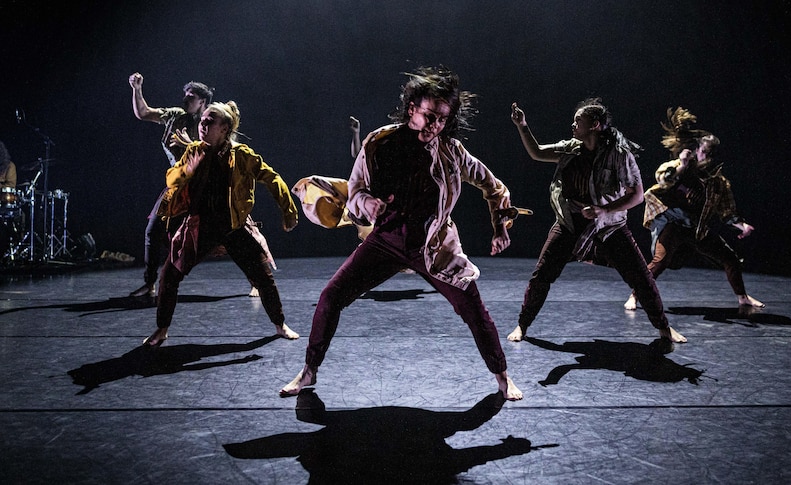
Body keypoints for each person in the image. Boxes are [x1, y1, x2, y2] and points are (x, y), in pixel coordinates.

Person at [279, 66, 523, 401]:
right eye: (429, 115)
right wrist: (370, 205)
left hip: (435, 247)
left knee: (474, 311)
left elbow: (493, 187)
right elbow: (356, 189)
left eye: (442, 119)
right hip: (386, 240)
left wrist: (499, 227)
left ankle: (502, 377)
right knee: (331, 297)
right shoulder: (380, 142)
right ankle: (308, 371)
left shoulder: (452, 152)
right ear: (412, 109)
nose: (435, 125)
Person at [506, 99, 687, 344]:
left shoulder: (619, 154)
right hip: (570, 223)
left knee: (641, 277)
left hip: (609, 226)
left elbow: (636, 194)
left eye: (578, 121)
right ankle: (522, 325)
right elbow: (537, 152)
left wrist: (603, 210)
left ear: (595, 125)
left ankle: (664, 327)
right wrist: (522, 125)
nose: (573, 125)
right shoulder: (570, 148)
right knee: (542, 275)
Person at [141, 101, 300, 347]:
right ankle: (162, 329)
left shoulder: (242, 155)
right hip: (199, 228)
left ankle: (280, 325)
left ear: (224, 128)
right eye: (202, 121)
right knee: (169, 275)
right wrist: (186, 170)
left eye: (209, 122)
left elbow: (271, 177)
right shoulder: (194, 150)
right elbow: (172, 179)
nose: (202, 126)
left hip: (234, 227)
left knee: (263, 276)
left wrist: (288, 210)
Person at [127, 73, 274, 298]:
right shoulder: (176, 116)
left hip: (209, 186)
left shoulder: (213, 120)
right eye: (185, 95)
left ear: (203, 102)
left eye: (191, 96)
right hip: (180, 184)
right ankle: (150, 283)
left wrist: (190, 144)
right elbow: (144, 113)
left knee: (235, 233)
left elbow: (225, 152)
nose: (186, 100)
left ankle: (256, 280)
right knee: (154, 230)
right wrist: (137, 88)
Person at [624, 108, 763, 311]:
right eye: (705, 152)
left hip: (694, 227)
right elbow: (663, 180)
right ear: (697, 150)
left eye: (712, 154)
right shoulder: (680, 165)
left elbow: (726, 212)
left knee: (729, 258)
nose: (708, 157)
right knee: (660, 261)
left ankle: (743, 297)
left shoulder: (719, 183)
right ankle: (635, 296)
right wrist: (682, 164)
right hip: (671, 222)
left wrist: (742, 226)